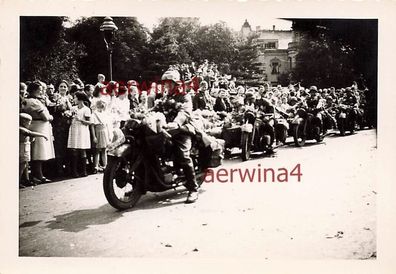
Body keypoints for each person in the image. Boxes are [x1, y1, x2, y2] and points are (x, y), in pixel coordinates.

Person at [161, 70, 199, 204]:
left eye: (170, 84)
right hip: (167, 130)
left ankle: (193, 189)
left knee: (183, 155)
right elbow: (155, 109)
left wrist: (176, 122)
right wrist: (141, 113)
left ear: (176, 84)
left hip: (182, 129)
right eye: (165, 84)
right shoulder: (165, 97)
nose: (167, 86)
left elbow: (185, 112)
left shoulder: (185, 96)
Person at [21, 81, 55, 184]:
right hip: (39, 126)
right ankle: (38, 176)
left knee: (37, 152)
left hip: (36, 125)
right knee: (38, 153)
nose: (41, 92)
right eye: (40, 90)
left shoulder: (27, 101)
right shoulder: (34, 102)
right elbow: (45, 117)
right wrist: (51, 117)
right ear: (34, 90)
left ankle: (37, 175)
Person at [19, 113, 49, 188]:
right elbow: (29, 133)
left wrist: (31, 139)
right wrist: (43, 135)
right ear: (23, 122)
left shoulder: (24, 128)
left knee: (25, 165)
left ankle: (26, 179)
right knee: (21, 166)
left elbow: (29, 137)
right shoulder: (21, 128)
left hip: (26, 148)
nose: (30, 124)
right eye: (28, 122)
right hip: (22, 149)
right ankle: (18, 181)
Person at [67, 91, 92, 177]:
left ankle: (84, 171)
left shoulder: (86, 109)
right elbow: (69, 121)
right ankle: (74, 171)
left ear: (80, 99)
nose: (74, 99)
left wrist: (80, 120)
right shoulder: (73, 108)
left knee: (82, 149)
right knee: (74, 149)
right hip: (74, 129)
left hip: (82, 130)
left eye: (75, 98)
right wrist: (69, 117)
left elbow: (89, 122)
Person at [91, 99, 111, 173]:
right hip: (98, 131)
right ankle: (96, 166)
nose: (101, 108)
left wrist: (109, 135)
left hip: (104, 131)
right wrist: (94, 137)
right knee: (96, 151)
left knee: (104, 150)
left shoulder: (105, 114)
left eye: (102, 107)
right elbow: (92, 126)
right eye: (99, 107)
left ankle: (105, 166)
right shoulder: (94, 114)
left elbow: (107, 125)